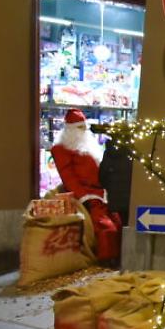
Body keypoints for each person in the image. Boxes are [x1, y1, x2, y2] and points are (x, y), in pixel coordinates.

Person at [51, 108, 122, 265]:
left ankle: (115, 258)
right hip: (88, 195)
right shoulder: (61, 150)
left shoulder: (88, 147)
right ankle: (106, 260)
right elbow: (68, 176)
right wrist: (84, 197)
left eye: (85, 127)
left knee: (118, 222)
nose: (84, 131)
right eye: (79, 127)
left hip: (102, 193)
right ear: (70, 129)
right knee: (106, 227)